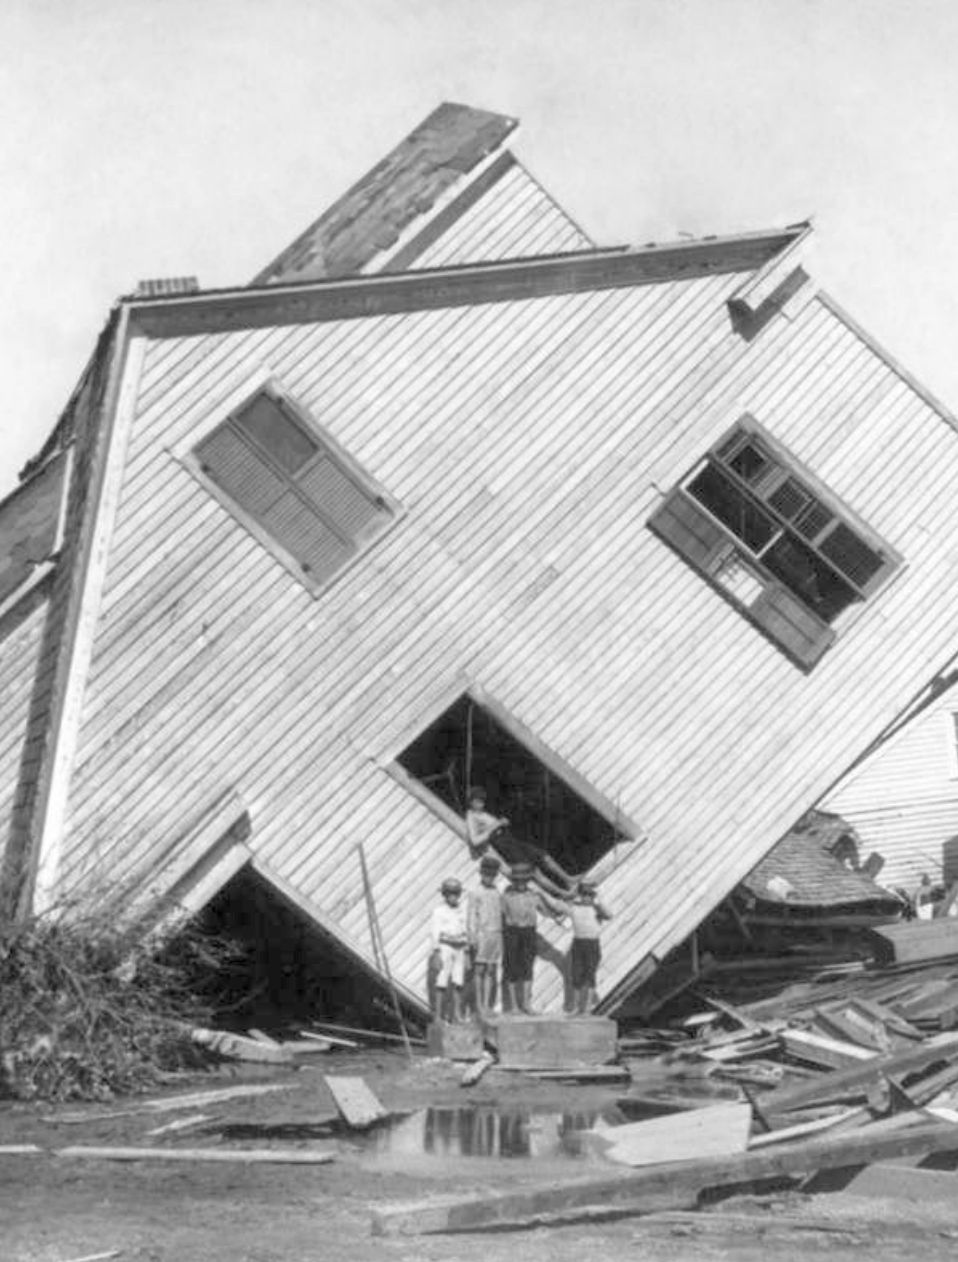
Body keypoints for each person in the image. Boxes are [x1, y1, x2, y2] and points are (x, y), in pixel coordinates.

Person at [464, 786, 576, 899]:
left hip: (509, 838)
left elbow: (492, 825)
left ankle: (569, 879)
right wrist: (495, 825)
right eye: (478, 801)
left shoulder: (481, 813)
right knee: (534, 872)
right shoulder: (471, 817)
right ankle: (563, 894)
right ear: (471, 802)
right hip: (503, 845)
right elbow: (475, 841)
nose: (481, 804)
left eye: (482, 801)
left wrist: (501, 823)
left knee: (544, 856)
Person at [500, 862, 566, 1014]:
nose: (520, 883)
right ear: (513, 880)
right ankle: (513, 1006)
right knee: (511, 969)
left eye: (523, 880)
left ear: (528, 880)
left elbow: (548, 912)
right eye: (517, 880)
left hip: (529, 932)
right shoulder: (506, 896)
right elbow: (500, 917)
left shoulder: (534, 896)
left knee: (527, 968)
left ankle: (526, 1004)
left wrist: (545, 897)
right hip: (512, 932)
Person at [567, 879, 612, 1015]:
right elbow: (558, 906)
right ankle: (575, 1008)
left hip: (592, 943)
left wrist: (598, 902)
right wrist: (575, 891)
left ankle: (586, 1009)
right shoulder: (574, 907)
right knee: (576, 975)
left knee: (589, 975)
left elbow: (609, 915)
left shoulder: (597, 909)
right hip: (578, 942)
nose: (587, 897)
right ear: (580, 895)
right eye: (584, 894)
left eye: (589, 895)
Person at [467, 854, 503, 1014]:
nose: (489, 877)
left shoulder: (496, 892)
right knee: (479, 970)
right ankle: (479, 1005)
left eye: (492, 874)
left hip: (495, 934)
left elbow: (500, 913)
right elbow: (471, 916)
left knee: (491, 970)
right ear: (481, 873)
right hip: (482, 934)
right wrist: (472, 936)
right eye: (486, 874)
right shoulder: (475, 892)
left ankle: (488, 1005)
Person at [429, 877, 468, 1023]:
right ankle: (439, 1016)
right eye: (450, 893)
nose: (453, 896)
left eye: (456, 893)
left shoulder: (462, 910)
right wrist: (436, 952)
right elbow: (435, 932)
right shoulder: (438, 911)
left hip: (460, 947)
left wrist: (466, 945)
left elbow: (466, 929)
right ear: (444, 895)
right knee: (441, 981)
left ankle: (457, 1014)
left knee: (458, 981)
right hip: (445, 947)